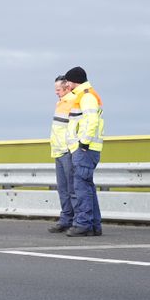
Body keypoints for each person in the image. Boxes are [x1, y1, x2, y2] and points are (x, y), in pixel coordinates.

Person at [64, 66, 104, 237]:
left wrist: (84, 143)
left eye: (68, 81)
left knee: (81, 187)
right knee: (87, 187)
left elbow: (91, 121)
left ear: (74, 81)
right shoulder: (85, 95)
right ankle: (94, 225)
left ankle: (83, 224)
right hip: (86, 149)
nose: (67, 85)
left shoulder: (86, 96)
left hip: (85, 150)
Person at [47, 75, 79, 234]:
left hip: (67, 151)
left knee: (72, 188)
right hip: (58, 150)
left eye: (58, 89)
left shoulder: (73, 101)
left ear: (67, 87)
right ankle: (66, 219)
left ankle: (75, 220)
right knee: (63, 188)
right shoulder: (61, 103)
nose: (56, 92)